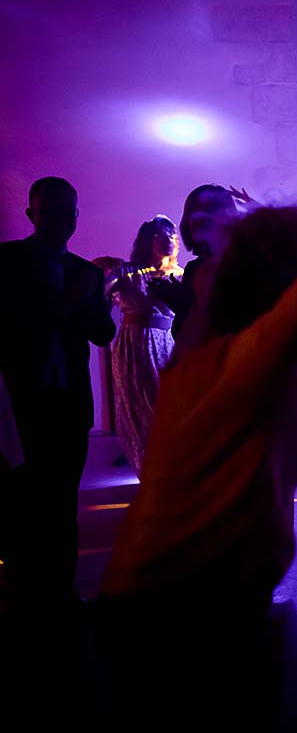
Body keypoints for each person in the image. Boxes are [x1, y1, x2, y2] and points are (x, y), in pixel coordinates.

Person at [98, 193, 297, 730]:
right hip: (176, 617)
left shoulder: (211, 350)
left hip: (186, 605)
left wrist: (248, 236)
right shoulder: (255, 351)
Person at [0, 177, 116, 608]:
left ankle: (62, 588)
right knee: (19, 500)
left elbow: (103, 335)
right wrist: (67, 302)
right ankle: (21, 588)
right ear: (31, 215)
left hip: (68, 405)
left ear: (76, 217)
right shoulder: (7, 262)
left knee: (63, 500)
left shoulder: (85, 270)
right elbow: (15, 328)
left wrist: (92, 300)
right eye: (49, 211)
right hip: (21, 404)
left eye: (67, 211)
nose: (59, 220)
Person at [94, 216, 182, 475]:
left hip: (168, 344)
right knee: (141, 411)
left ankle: (170, 472)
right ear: (147, 240)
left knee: (168, 411)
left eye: (172, 236)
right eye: (161, 235)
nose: (169, 240)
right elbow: (100, 288)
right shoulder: (129, 271)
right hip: (136, 345)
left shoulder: (180, 274)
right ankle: (151, 474)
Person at [148, 184, 238, 339]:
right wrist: (176, 299)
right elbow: (184, 332)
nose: (197, 220)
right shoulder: (193, 268)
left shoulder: (242, 263)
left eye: (208, 212)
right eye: (193, 212)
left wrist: (181, 301)